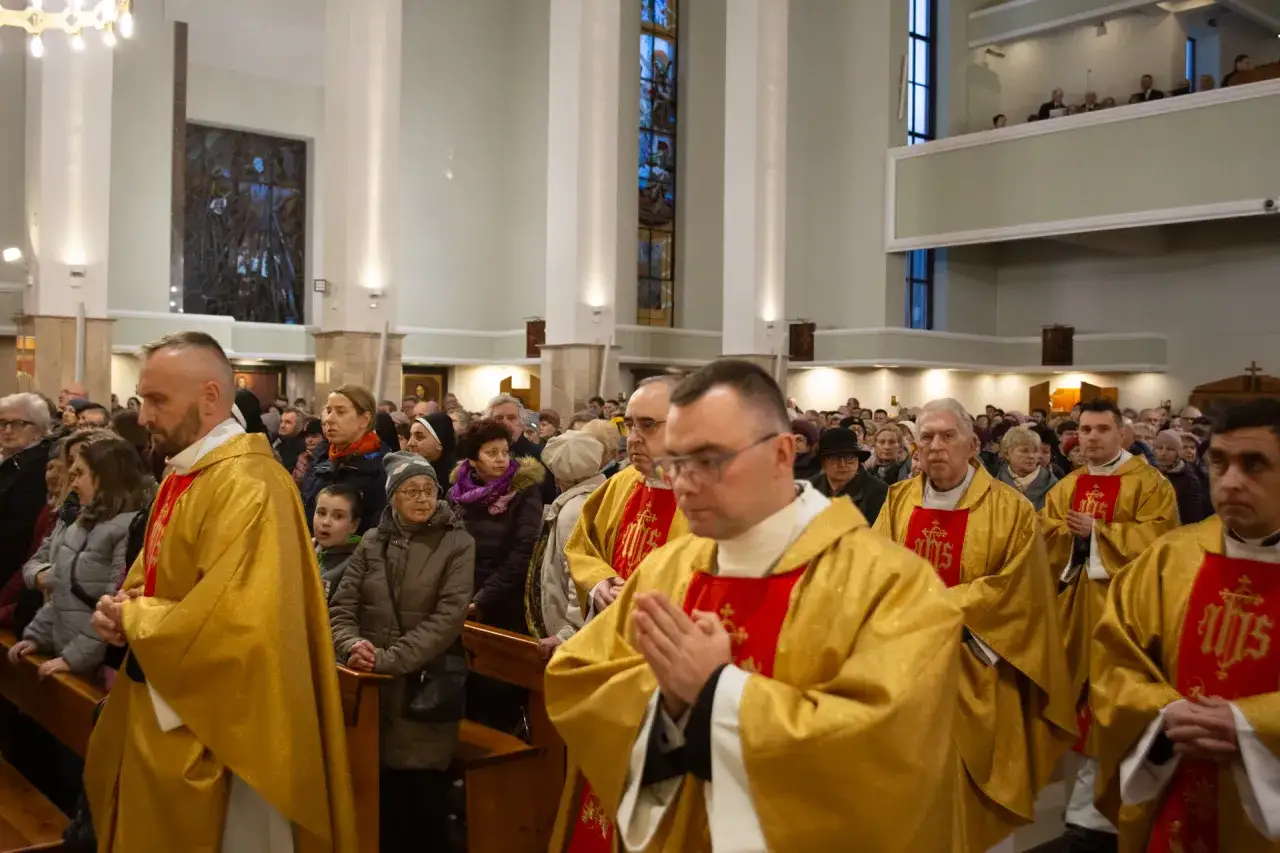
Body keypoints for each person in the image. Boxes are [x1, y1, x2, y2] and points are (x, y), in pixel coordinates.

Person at [545, 360, 964, 852]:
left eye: (710, 460)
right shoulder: (671, 567)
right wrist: (671, 703)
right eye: (676, 461)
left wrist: (717, 693)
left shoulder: (893, 586)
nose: (684, 483)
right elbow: (578, 674)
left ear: (782, 454)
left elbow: (890, 755)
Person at [82, 331, 356, 852]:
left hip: (223, 732)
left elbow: (237, 628)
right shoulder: (183, 475)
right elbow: (153, 577)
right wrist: (118, 611)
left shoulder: (251, 485)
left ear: (210, 397)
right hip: (163, 703)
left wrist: (136, 618)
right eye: (143, 400)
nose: (142, 416)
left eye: (157, 401)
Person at [872, 400, 1076, 851]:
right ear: (915, 448)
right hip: (906, 672)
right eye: (926, 437)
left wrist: (936, 609)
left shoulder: (1011, 510)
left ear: (972, 444)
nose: (936, 446)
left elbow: (1021, 592)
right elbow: (873, 572)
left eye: (947, 436)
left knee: (973, 811)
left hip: (975, 672)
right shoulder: (897, 500)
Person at [1090, 399, 1280, 852]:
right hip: (1175, 785)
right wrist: (1164, 713)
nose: (1231, 482)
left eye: (1254, 465)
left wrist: (1251, 725)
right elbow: (1113, 663)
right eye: (1219, 462)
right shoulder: (1171, 558)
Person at [1040, 398, 1180, 850]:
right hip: (1075, 610)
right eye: (1084, 430)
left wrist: (1100, 533)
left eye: (1102, 429)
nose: (1092, 437)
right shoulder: (1068, 485)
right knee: (1074, 708)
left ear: (1123, 434)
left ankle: (1105, 816)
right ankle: (1077, 810)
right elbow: (1046, 536)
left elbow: (1163, 541)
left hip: (1124, 617)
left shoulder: (1149, 484)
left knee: (1113, 706)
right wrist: (1071, 537)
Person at [328, 451, 472, 852]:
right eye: (412, 491)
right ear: (393, 498)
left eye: (430, 490)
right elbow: (342, 606)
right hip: (372, 689)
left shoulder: (457, 543)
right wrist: (351, 644)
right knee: (380, 799)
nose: (423, 498)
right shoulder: (373, 541)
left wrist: (387, 659)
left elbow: (447, 619)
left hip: (423, 688)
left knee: (422, 802)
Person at [9, 437, 148, 679]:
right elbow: (62, 592)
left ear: (107, 477)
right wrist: (37, 638)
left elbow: (113, 608)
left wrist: (73, 658)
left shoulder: (130, 530)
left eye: (80, 474)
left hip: (99, 667)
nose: (72, 485)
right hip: (66, 654)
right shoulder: (80, 525)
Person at [563, 376, 689, 620]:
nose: (632, 438)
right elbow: (581, 547)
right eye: (630, 425)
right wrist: (600, 582)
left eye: (648, 424)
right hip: (611, 632)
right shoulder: (620, 483)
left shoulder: (708, 495)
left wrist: (640, 596)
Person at [447, 419, 545, 634]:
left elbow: (524, 550)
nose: (501, 459)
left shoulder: (523, 491)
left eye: (505, 452)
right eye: (492, 453)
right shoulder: (457, 493)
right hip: (461, 592)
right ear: (473, 460)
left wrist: (484, 597)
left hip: (505, 597)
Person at [527, 431, 608, 657]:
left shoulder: (574, 510)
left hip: (570, 629)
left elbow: (577, 572)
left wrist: (568, 631)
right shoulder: (599, 495)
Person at [301, 384, 389, 534]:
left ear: (364, 420)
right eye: (328, 411)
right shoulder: (321, 457)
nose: (329, 419)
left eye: (340, 412)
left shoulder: (383, 467)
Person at [0, 393, 54, 605]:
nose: (7, 430)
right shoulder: (12, 460)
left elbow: (18, 530)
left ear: (39, 429)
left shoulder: (37, 466)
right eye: (3, 423)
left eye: (18, 424)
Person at [488, 393, 557, 503]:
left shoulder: (538, 456)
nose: (505, 422)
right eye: (499, 418)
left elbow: (547, 498)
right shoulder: (480, 454)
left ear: (521, 423)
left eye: (511, 418)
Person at [808, 427, 887, 524]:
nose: (842, 464)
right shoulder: (808, 488)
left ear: (858, 461)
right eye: (834, 457)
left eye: (850, 457)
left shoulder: (878, 492)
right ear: (823, 462)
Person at [313, 483, 364, 604]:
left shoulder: (359, 564)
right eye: (321, 513)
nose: (326, 522)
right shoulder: (303, 551)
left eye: (338, 516)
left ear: (354, 525)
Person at [1153, 429, 1209, 525]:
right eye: (1159, 448)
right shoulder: (1150, 472)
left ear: (1178, 452)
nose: (1163, 453)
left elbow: (1194, 517)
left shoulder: (1190, 479)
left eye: (1170, 449)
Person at [998, 425, 1059, 511]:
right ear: (1007, 454)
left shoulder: (1054, 486)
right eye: (1024, 451)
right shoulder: (995, 486)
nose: (1031, 456)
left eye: (1035, 451)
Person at [406, 413, 458, 490]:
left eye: (419, 437)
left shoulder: (458, 480)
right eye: (410, 436)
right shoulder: (407, 471)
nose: (410, 443)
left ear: (440, 443)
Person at [273, 406, 307, 473]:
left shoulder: (302, 446)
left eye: (288, 422)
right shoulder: (280, 441)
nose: (282, 426)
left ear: (299, 426)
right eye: (281, 421)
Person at [294, 418, 324, 486]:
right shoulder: (302, 457)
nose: (309, 440)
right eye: (307, 436)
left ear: (325, 438)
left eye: (314, 436)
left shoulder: (328, 459)